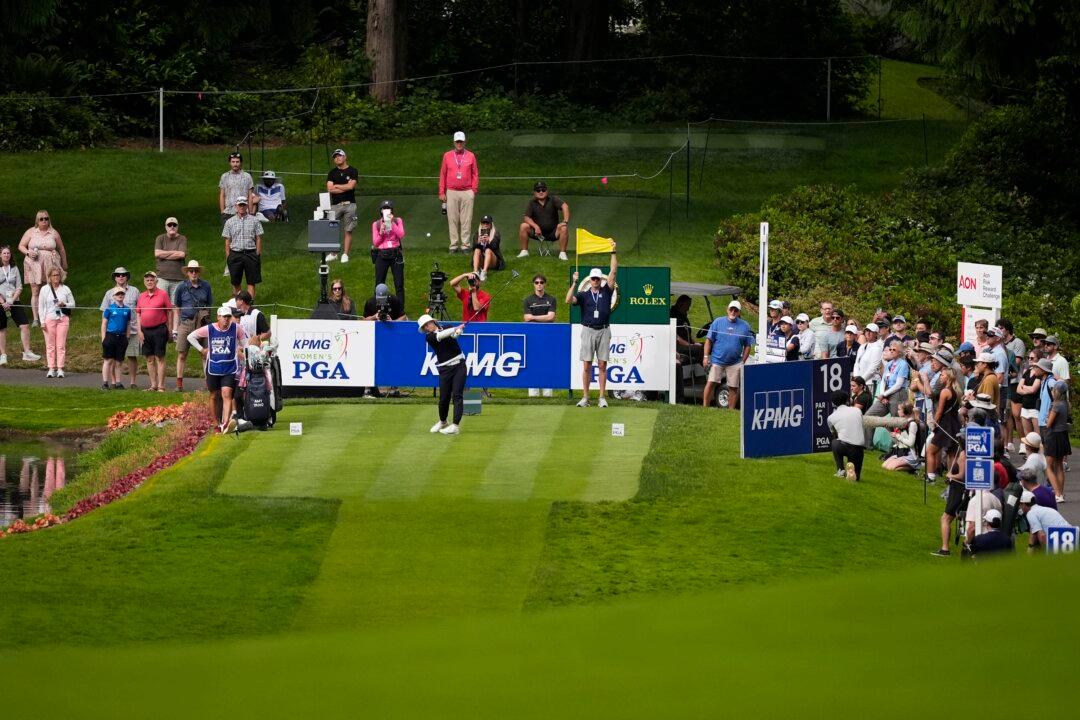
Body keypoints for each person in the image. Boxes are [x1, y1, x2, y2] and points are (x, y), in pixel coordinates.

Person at [566, 247, 618, 407]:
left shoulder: (607, 291)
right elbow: (568, 300)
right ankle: (585, 397)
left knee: (602, 365)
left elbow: (613, 272)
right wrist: (574, 282)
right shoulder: (583, 294)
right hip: (588, 330)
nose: (595, 281)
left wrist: (613, 253)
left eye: (597, 278)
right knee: (587, 365)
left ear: (600, 280)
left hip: (604, 330)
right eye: (593, 278)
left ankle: (601, 398)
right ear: (589, 280)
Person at [186, 306, 249, 434]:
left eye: (228, 317)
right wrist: (202, 350)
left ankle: (225, 424)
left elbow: (245, 343)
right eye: (224, 317)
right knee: (214, 395)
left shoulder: (236, 328)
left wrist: (245, 354)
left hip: (229, 367)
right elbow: (190, 337)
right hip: (213, 367)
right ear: (218, 317)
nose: (226, 319)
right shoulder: (209, 328)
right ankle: (216, 424)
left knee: (227, 394)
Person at [418, 313, 466, 435]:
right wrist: (455, 329)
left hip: (459, 365)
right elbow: (441, 335)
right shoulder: (429, 337)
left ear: (433, 322)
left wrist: (458, 331)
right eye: (425, 326)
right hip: (445, 369)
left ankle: (455, 426)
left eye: (428, 324)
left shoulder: (447, 326)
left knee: (457, 395)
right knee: (444, 397)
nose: (427, 327)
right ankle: (443, 421)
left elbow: (454, 336)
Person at [18, 210, 67, 327]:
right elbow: (21, 245)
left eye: (46, 218)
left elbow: (61, 249)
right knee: (35, 291)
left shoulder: (53, 232)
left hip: (51, 263)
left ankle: (53, 314)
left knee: (52, 288)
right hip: (34, 264)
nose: (44, 221)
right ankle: (36, 319)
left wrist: (64, 263)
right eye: (41, 219)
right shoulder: (31, 232)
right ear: (37, 221)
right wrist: (28, 252)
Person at [702, 300, 754, 409]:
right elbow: (708, 340)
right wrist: (706, 357)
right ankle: (705, 408)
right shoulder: (718, 322)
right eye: (731, 309)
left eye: (736, 310)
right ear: (727, 310)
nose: (733, 312)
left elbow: (748, 345)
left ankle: (731, 411)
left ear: (739, 312)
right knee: (711, 383)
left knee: (734, 387)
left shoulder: (745, 326)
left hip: (735, 362)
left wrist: (743, 361)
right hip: (717, 360)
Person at [172, 260, 213, 392]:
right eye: (191, 271)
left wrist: (208, 322)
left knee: (205, 353)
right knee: (182, 354)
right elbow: (177, 308)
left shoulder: (206, 286)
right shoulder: (181, 287)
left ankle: (208, 384)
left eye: (196, 270)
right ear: (187, 273)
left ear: (199, 272)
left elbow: (210, 306)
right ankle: (179, 384)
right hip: (186, 322)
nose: (194, 273)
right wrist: (175, 328)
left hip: (202, 323)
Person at [99, 267, 141, 388]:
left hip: (132, 330)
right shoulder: (109, 293)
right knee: (112, 359)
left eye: (123, 274)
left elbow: (140, 309)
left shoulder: (134, 291)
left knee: (131, 357)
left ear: (127, 276)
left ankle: (133, 382)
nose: (121, 277)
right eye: (118, 275)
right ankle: (113, 382)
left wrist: (138, 329)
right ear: (115, 277)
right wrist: (104, 336)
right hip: (113, 333)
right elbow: (104, 316)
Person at [439, 131, 479, 254]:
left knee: (466, 219)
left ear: (464, 142)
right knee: (452, 219)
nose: (459, 144)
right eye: (457, 141)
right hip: (451, 191)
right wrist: (441, 191)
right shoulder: (447, 156)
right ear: (454, 142)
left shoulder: (471, 156)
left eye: (461, 141)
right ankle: (454, 245)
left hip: (467, 191)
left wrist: (473, 190)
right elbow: (443, 174)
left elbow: (475, 174)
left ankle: (465, 245)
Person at [0, 246, 40, 364]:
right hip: (1, 302)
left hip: (14, 301)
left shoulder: (15, 268)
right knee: (2, 329)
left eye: (8, 253)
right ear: (0, 255)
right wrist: (3, 302)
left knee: (25, 325)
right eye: (4, 253)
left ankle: (27, 352)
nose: (6, 255)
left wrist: (11, 301)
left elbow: (19, 287)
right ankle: (3, 355)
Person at [925, 357, 961, 484]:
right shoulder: (957, 391)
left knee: (930, 451)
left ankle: (930, 477)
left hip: (944, 425)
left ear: (948, 377)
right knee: (952, 453)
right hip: (954, 425)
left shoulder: (945, 391)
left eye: (942, 375)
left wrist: (934, 424)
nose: (940, 376)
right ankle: (951, 478)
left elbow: (939, 411)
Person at [135, 271, 173, 392]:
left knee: (159, 357)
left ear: (156, 281)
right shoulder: (141, 296)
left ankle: (161, 386)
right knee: (149, 358)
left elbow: (169, 312)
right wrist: (139, 330)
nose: (149, 282)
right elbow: (138, 314)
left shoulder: (163, 294)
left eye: (152, 280)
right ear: (144, 282)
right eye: (147, 280)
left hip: (159, 329)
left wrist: (170, 329)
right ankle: (153, 385)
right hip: (145, 330)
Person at [222, 196, 263, 299]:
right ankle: (238, 303)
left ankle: (250, 303)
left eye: (244, 205)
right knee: (236, 282)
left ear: (247, 206)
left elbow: (258, 238)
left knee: (251, 281)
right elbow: (227, 241)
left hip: (251, 253)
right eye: (240, 205)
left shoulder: (255, 220)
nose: (242, 207)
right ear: (236, 206)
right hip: (235, 254)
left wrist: (257, 254)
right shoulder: (229, 222)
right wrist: (228, 257)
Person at [518, 181, 570, 260]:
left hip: (553, 232)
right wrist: (536, 227)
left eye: (543, 190)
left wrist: (565, 221)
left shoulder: (553, 199)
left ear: (547, 191)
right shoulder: (532, 202)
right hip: (538, 234)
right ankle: (524, 251)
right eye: (538, 190)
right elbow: (526, 218)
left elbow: (565, 206)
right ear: (534, 192)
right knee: (523, 226)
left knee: (564, 228)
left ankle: (562, 253)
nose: (541, 192)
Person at [524, 274, 557, 398]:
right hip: (532, 336)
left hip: (548, 336)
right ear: (533, 284)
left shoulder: (551, 299)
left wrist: (533, 317)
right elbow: (526, 318)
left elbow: (551, 317)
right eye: (537, 282)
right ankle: (533, 394)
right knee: (532, 364)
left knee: (547, 364)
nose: (539, 284)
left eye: (541, 282)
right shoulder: (528, 300)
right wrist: (543, 318)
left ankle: (548, 394)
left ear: (545, 284)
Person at [38, 267, 74, 379]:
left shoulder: (65, 289)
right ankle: (51, 368)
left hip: (63, 319)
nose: (56, 277)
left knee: (61, 345)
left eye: (58, 275)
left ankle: (60, 369)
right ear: (49, 277)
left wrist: (65, 304)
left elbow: (73, 304)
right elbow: (41, 306)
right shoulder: (44, 289)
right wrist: (42, 321)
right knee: (50, 345)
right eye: (53, 275)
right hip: (49, 319)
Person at [324, 148, 358, 263]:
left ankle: (345, 254)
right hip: (335, 205)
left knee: (348, 230)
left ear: (345, 157)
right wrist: (344, 187)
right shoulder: (332, 173)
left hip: (350, 204)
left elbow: (351, 186)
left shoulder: (353, 171)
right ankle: (333, 253)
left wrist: (337, 186)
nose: (337, 158)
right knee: (332, 229)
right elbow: (330, 189)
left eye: (339, 155)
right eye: (335, 157)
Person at [372, 200, 406, 302]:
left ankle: (400, 307)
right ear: (381, 211)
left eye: (388, 209)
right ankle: (378, 305)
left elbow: (401, 235)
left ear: (391, 211)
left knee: (399, 283)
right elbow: (376, 243)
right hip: (382, 255)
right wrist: (381, 233)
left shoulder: (397, 220)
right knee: (379, 283)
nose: (386, 211)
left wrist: (392, 224)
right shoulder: (376, 224)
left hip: (396, 254)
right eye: (384, 209)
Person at [866, 341, 909, 418]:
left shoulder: (903, 364)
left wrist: (883, 394)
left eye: (894, 350)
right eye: (890, 349)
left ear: (899, 352)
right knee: (869, 415)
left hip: (898, 393)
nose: (891, 351)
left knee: (896, 419)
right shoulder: (889, 364)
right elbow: (883, 381)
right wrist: (883, 395)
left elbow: (898, 385)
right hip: (886, 392)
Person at [828, 391, 864, 481]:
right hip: (859, 449)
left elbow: (834, 434)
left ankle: (840, 470)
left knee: (834, 442)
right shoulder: (857, 410)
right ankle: (853, 471)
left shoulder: (831, 417)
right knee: (856, 478)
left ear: (833, 403)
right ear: (847, 400)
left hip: (843, 446)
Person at [100, 288, 131, 390]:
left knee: (119, 361)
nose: (120, 295)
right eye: (118, 294)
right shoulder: (109, 309)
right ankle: (105, 383)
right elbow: (104, 324)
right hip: (110, 336)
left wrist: (127, 337)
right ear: (114, 296)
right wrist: (104, 338)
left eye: (122, 293)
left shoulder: (127, 309)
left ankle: (118, 383)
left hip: (122, 337)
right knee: (108, 360)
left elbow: (128, 324)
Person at [1043, 383, 1070, 503]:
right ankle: (1060, 493)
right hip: (1063, 436)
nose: (1052, 392)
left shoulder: (1056, 405)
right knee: (1059, 466)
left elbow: (1049, 423)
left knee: (1048, 466)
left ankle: (1057, 493)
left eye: (1053, 390)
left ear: (1057, 392)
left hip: (1054, 436)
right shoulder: (1065, 404)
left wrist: (1046, 418)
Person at [154, 216, 187, 300]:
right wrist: (174, 252)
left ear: (177, 227)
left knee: (176, 304)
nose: (172, 227)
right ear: (166, 227)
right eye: (169, 225)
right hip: (162, 278)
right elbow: (157, 254)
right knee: (162, 303)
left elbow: (181, 255)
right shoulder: (160, 238)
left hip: (178, 279)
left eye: (174, 225)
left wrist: (164, 255)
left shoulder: (182, 238)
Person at [883, 402, 921, 472]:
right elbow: (898, 443)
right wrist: (889, 430)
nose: (898, 411)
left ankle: (914, 468)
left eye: (899, 409)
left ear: (905, 411)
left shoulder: (912, 424)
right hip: (901, 452)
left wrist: (898, 436)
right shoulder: (902, 423)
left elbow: (911, 444)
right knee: (884, 466)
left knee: (890, 468)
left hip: (910, 455)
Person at [218, 152, 254, 226]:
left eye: (237, 162)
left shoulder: (247, 176)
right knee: (228, 233)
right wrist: (222, 212)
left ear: (241, 163)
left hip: (243, 212)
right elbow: (222, 195)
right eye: (233, 162)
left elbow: (250, 196)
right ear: (230, 163)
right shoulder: (224, 176)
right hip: (228, 212)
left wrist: (251, 212)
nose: (235, 164)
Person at [1016, 349, 1044, 440]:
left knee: (1037, 436)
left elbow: (1033, 389)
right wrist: (1027, 389)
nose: (1029, 359)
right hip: (1025, 406)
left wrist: (1024, 387)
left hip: (1035, 408)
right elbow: (1018, 389)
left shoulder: (1040, 373)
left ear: (1039, 359)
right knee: (1028, 436)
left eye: (1032, 358)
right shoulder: (1027, 371)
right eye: (1028, 357)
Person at [671, 294, 704, 365]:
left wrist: (694, 343)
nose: (688, 309)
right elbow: (676, 336)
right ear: (680, 304)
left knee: (706, 345)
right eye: (687, 306)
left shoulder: (682, 314)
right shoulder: (672, 315)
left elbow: (687, 332)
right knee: (698, 349)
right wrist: (689, 345)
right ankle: (706, 367)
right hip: (677, 346)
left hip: (686, 343)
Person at [853, 322, 883, 393]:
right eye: (866, 331)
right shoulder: (862, 346)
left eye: (871, 331)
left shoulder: (878, 347)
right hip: (859, 383)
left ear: (876, 334)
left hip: (871, 382)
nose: (868, 333)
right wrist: (856, 378)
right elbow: (857, 363)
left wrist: (861, 381)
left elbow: (873, 368)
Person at [472, 215, 503, 281]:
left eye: (487, 223)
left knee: (488, 250)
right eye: (483, 223)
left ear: (491, 224)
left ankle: (484, 272)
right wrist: (478, 242)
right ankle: (475, 272)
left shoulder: (496, 233)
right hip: (482, 260)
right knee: (477, 250)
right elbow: (473, 248)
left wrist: (489, 241)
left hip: (493, 261)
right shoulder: (477, 233)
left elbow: (495, 247)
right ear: (481, 224)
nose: (485, 225)